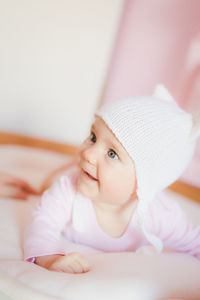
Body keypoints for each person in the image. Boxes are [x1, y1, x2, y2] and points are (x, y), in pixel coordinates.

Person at [23, 85, 200, 274]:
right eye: (93, 137)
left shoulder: (162, 215)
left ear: (142, 185)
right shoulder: (68, 187)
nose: (89, 153)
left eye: (112, 154)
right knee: (51, 182)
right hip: (74, 174)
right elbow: (43, 222)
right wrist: (50, 258)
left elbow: (195, 243)